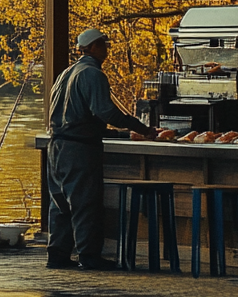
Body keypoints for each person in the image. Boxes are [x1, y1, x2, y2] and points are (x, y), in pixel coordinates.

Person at [46, 29, 160, 269]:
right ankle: (89, 256)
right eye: (104, 45)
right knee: (85, 202)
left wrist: (116, 134)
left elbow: (74, 114)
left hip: (56, 146)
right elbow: (104, 111)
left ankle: (57, 254)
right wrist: (140, 127)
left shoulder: (65, 74)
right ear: (94, 47)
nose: (107, 49)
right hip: (79, 149)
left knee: (60, 204)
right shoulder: (92, 74)